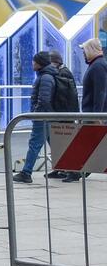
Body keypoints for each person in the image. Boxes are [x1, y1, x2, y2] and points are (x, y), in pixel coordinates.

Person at [62, 39, 107, 183]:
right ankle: (80, 171)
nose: (83, 53)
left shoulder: (98, 66)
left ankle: (77, 171)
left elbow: (100, 92)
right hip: (92, 113)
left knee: (85, 144)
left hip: (93, 113)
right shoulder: (97, 65)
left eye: (84, 50)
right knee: (90, 144)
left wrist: (96, 116)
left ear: (91, 49)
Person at [13, 52, 57, 184]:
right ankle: (66, 169)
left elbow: (44, 99)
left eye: (34, 61)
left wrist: (36, 114)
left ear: (39, 63)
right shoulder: (46, 76)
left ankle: (26, 172)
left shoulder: (45, 77)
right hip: (47, 116)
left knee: (34, 144)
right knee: (55, 144)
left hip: (43, 117)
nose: (32, 63)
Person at [45, 50, 79, 180]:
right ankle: (60, 168)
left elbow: (63, 96)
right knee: (58, 142)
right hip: (64, 113)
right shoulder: (61, 72)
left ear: (55, 62)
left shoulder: (63, 73)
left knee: (65, 143)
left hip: (64, 114)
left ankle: (72, 171)